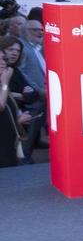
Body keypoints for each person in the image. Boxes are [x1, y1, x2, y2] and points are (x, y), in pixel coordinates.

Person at [0, 35, 35, 168]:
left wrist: (17, 119)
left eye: (3, 59)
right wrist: (4, 83)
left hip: (7, 142)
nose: (3, 62)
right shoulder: (4, 82)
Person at [16, 18, 45, 163]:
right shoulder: (23, 47)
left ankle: (29, 152)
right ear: (25, 31)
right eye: (35, 29)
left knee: (36, 128)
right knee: (29, 130)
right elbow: (22, 72)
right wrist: (38, 89)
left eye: (41, 29)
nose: (40, 32)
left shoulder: (36, 47)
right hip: (33, 97)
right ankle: (24, 160)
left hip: (40, 95)